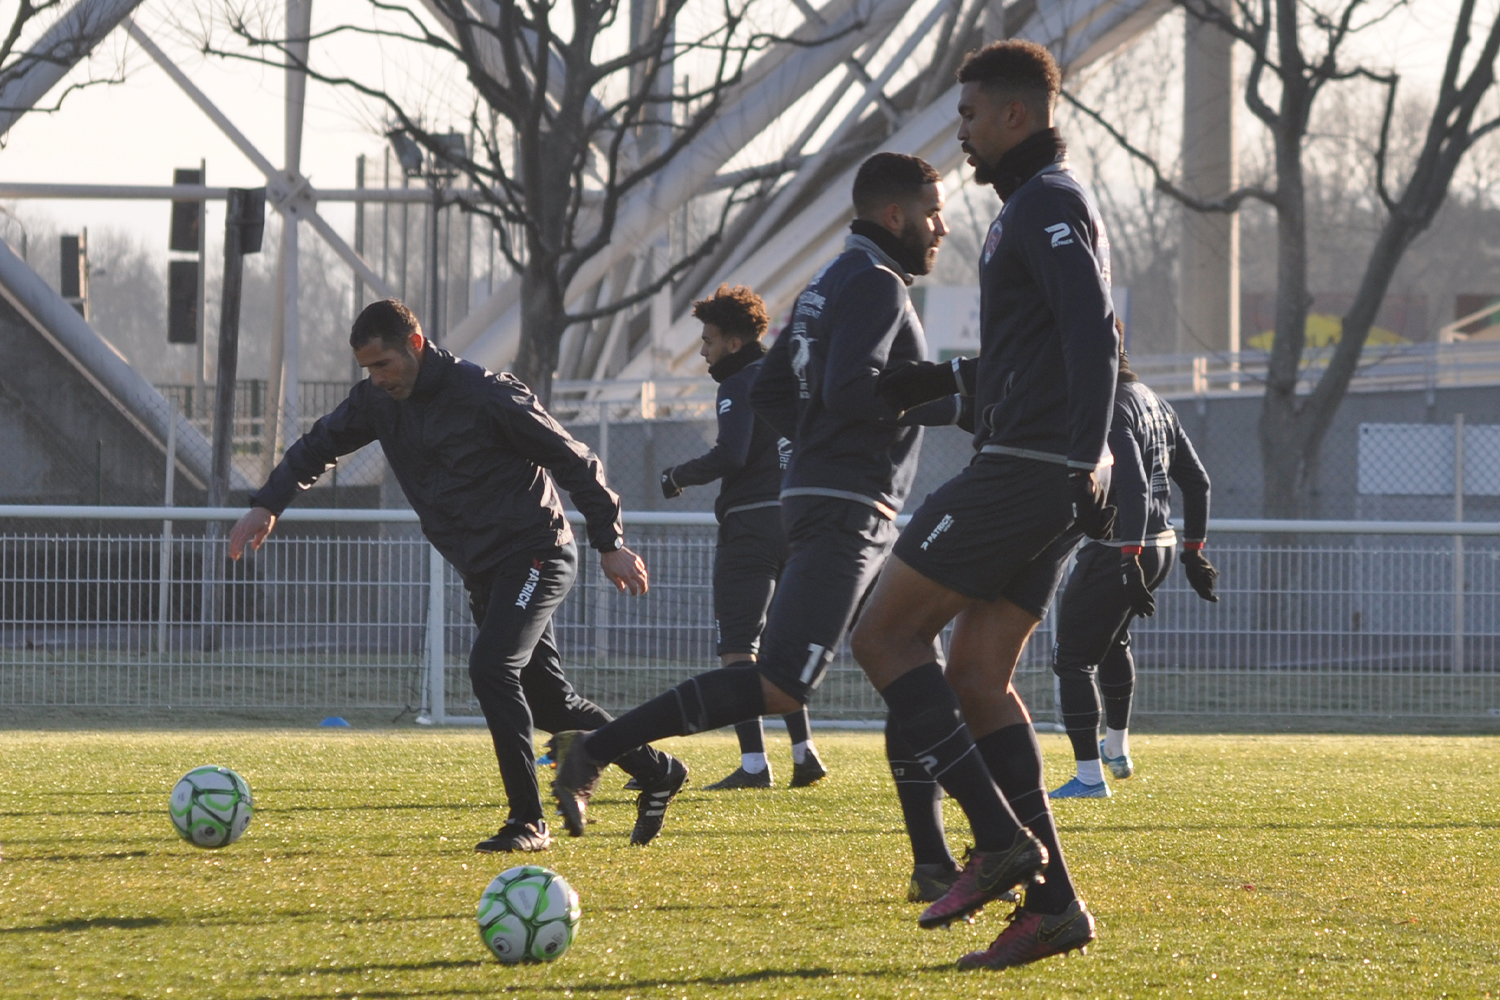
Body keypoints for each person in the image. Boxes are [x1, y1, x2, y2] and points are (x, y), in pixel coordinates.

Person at [547, 152, 963, 851]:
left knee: (911, 657)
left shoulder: (825, 283)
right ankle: (597, 749)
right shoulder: (881, 286)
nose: (941, 227)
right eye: (933, 211)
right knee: (781, 683)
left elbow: (775, 393)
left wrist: (823, 447)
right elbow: (854, 392)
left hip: (839, 503)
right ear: (895, 215)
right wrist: (954, 390)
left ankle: (949, 849)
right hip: (846, 509)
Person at [227, 299, 687, 852]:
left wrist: (610, 541)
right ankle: (660, 771)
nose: (376, 379)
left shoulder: (487, 394)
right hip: (485, 571)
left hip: (537, 552)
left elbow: (574, 459)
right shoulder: (379, 401)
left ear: (415, 346)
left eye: (383, 365)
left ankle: (528, 822)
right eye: (367, 370)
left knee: (492, 668)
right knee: (552, 705)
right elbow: (317, 446)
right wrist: (267, 503)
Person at [851, 40, 1118, 969]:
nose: (958, 135)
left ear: (1014, 116)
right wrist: (934, 386)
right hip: (1042, 461)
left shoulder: (1046, 204)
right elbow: (1039, 351)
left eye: (967, 116)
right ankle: (1054, 909)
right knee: (974, 674)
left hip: (1028, 467)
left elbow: (1093, 330)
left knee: (881, 637)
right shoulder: (1032, 208)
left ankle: (999, 842)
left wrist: (1082, 450)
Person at [659, 284, 828, 791]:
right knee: (783, 644)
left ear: (733, 343)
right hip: (798, 518)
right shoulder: (793, 377)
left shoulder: (738, 383)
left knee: (738, 646)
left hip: (751, 527)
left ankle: (754, 765)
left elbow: (731, 455)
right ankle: (805, 752)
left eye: (709, 341)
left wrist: (677, 475)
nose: (705, 350)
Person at [1050, 336, 1217, 798]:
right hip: (1160, 542)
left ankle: (1088, 778)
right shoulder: (1156, 401)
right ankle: (1117, 749)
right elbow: (1197, 481)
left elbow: (1134, 485)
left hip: (1124, 548)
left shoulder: (1108, 406)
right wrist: (1192, 550)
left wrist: (1128, 557)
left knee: (1071, 660)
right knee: (1111, 642)